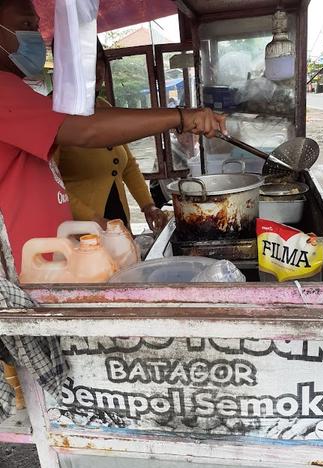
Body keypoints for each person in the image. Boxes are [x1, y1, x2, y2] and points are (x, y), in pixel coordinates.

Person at [0, 0, 226, 273]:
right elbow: (87, 129)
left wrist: (147, 206)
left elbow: (127, 163)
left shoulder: (93, 109)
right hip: (40, 261)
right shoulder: (12, 95)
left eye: (36, 28)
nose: (34, 37)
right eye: (25, 26)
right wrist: (182, 117)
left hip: (58, 259)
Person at [57, 39, 167, 233]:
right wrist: (96, 221)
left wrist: (148, 206)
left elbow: (128, 166)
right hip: (83, 236)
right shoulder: (55, 115)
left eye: (100, 59)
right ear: (65, 65)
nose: (98, 67)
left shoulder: (102, 107)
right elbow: (50, 187)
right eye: (87, 59)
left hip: (117, 227)